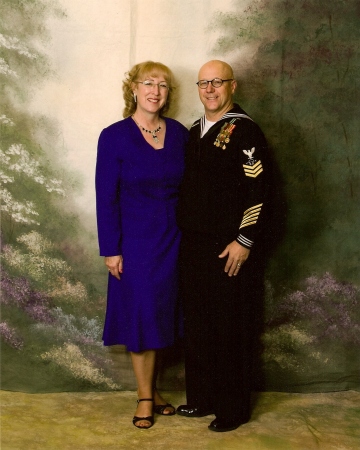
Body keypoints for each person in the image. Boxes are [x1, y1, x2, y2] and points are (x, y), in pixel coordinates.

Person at [176, 60, 273, 432]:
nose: (210, 89)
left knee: (228, 328)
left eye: (218, 82)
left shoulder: (245, 130)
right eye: (204, 83)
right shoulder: (194, 130)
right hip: (194, 245)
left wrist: (244, 241)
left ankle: (233, 409)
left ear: (233, 86)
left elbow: (259, 190)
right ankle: (202, 399)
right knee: (198, 325)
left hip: (228, 247)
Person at [95, 61, 188, 429]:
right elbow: (106, 197)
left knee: (163, 316)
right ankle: (145, 397)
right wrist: (111, 249)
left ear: (168, 94)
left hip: (175, 239)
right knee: (141, 317)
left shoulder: (180, 134)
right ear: (133, 89)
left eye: (163, 85)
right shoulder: (114, 135)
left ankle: (154, 389)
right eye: (148, 83)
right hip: (134, 242)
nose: (155, 90)